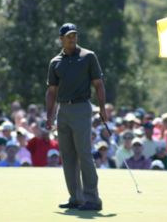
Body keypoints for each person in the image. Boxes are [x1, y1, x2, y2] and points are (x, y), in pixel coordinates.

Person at [46, 23, 106, 211]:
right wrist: (50, 115)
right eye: (68, 36)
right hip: (63, 110)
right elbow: (51, 91)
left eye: (74, 35)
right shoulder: (55, 62)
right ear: (61, 39)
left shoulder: (88, 56)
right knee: (68, 155)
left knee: (84, 153)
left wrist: (103, 108)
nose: (72, 38)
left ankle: (92, 199)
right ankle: (76, 197)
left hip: (81, 108)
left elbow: (98, 84)